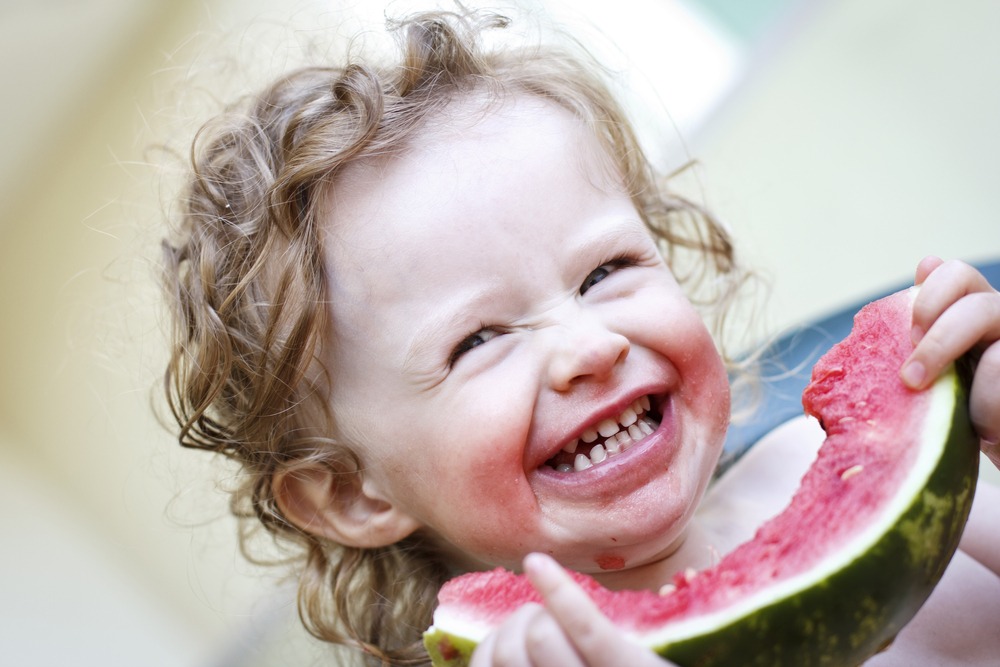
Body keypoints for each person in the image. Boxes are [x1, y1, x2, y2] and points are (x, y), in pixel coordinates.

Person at [160, 7, 1000, 666]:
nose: (590, 346)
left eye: (605, 273)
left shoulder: (827, 468)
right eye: (479, 339)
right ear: (353, 494)